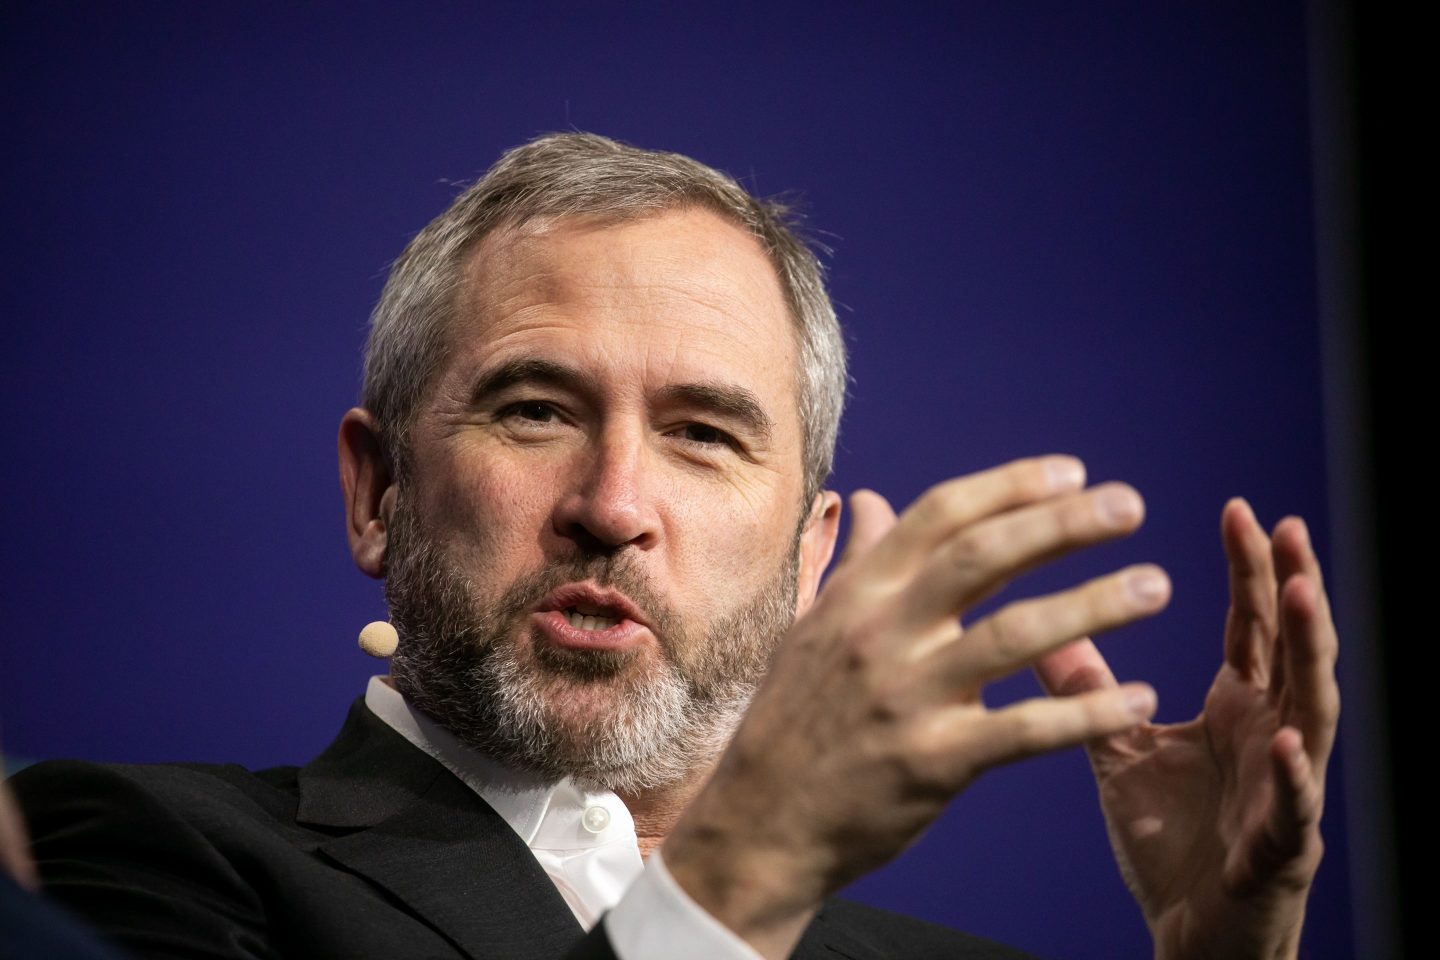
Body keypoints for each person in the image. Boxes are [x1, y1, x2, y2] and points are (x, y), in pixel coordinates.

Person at [11, 133, 1338, 959]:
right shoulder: (123, 852)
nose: (614, 500)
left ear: (812, 555)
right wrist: (745, 870)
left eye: (706, 433)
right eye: (535, 411)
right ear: (379, 492)